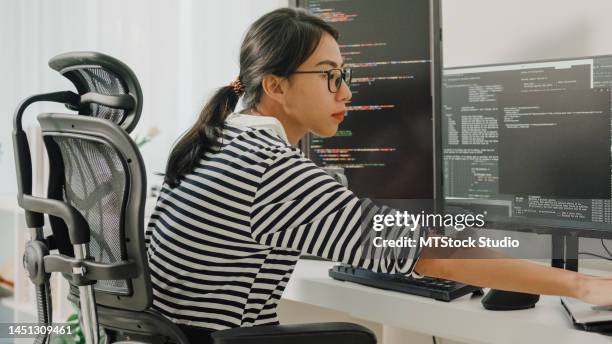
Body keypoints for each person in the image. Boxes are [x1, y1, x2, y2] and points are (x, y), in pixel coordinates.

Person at [145, 7, 612, 342]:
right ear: (276, 86)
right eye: (330, 76)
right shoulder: (272, 168)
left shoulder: (215, 142)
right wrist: (586, 285)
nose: (346, 92)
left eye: (344, 74)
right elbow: (430, 254)